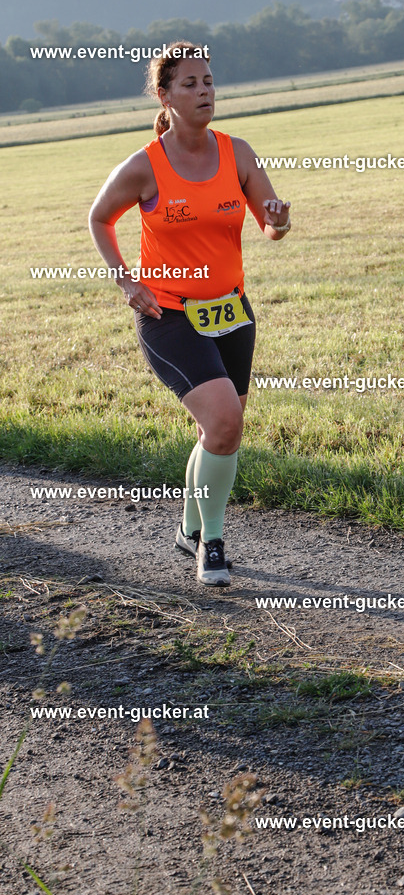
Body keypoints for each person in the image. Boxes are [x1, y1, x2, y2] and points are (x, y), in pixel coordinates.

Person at [88, 41, 290, 587]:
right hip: (168, 313)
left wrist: (279, 220)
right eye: (189, 84)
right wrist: (126, 280)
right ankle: (212, 543)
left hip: (231, 311)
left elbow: (270, 226)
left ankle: (186, 527)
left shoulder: (238, 152)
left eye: (208, 82)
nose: (204, 92)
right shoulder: (144, 166)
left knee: (218, 431)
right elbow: (99, 219)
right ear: (164, 95)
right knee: (224, 421)